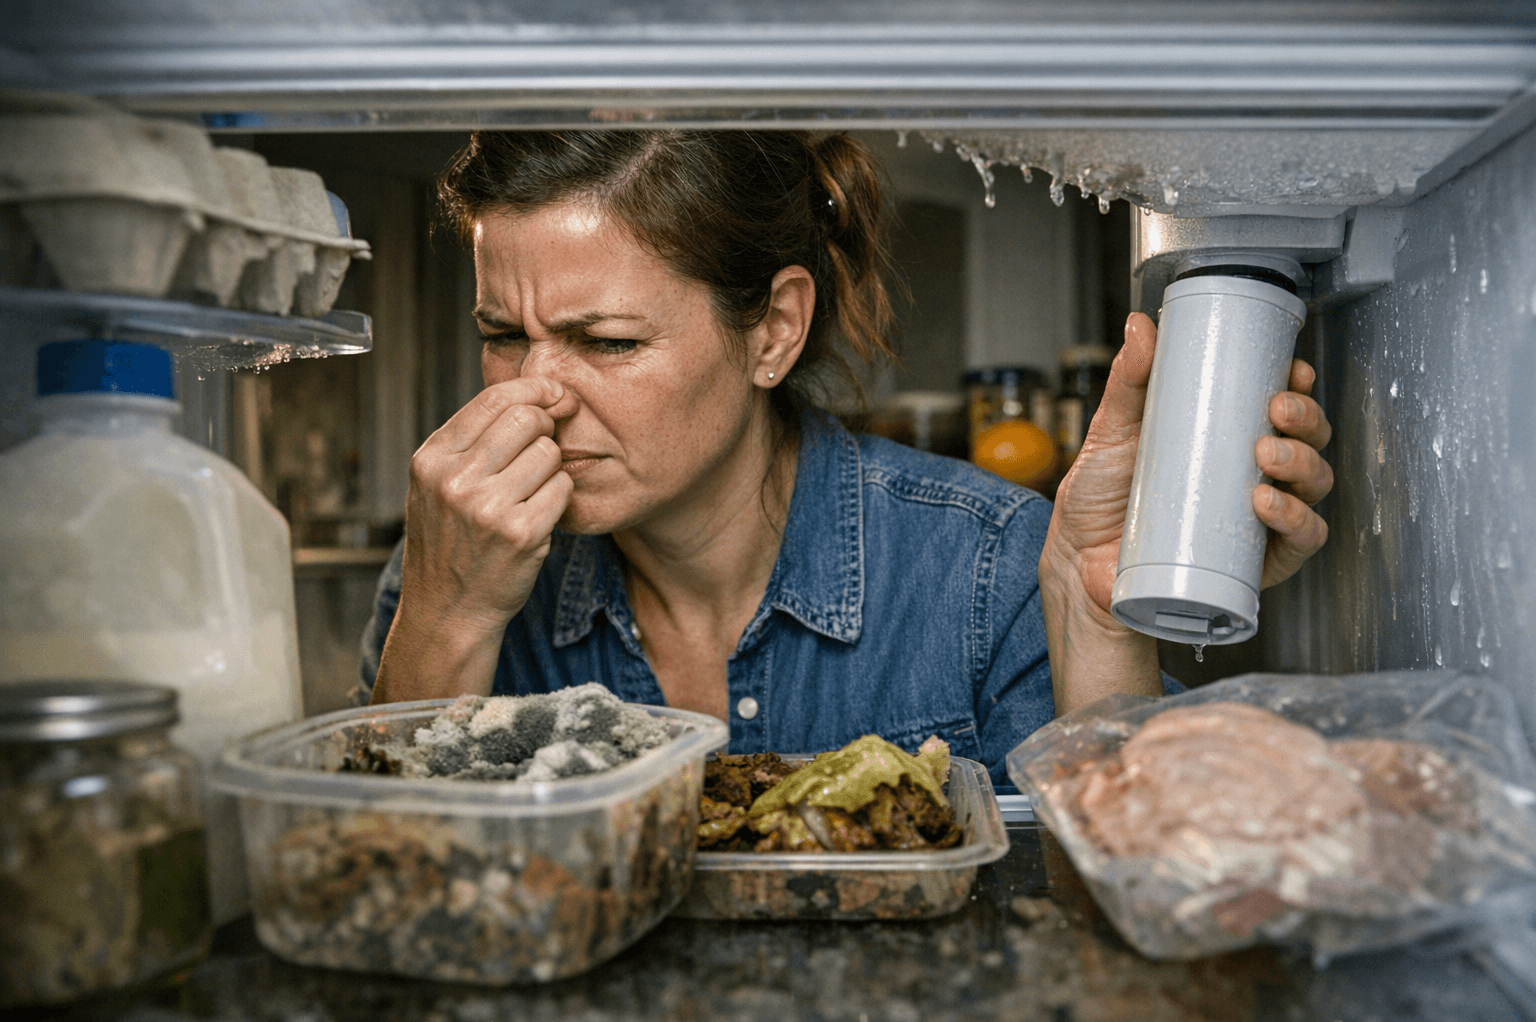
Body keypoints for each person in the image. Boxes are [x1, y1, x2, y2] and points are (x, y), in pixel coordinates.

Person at [359, 130, 1333, 787]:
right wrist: (445, 618)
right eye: (502, 334)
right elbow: (378, 918)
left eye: (607, 342)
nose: (535, 393)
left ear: (774, 330)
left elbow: (1148, 918)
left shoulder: (988, 569)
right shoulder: (455, 558)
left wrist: (1097, 626)